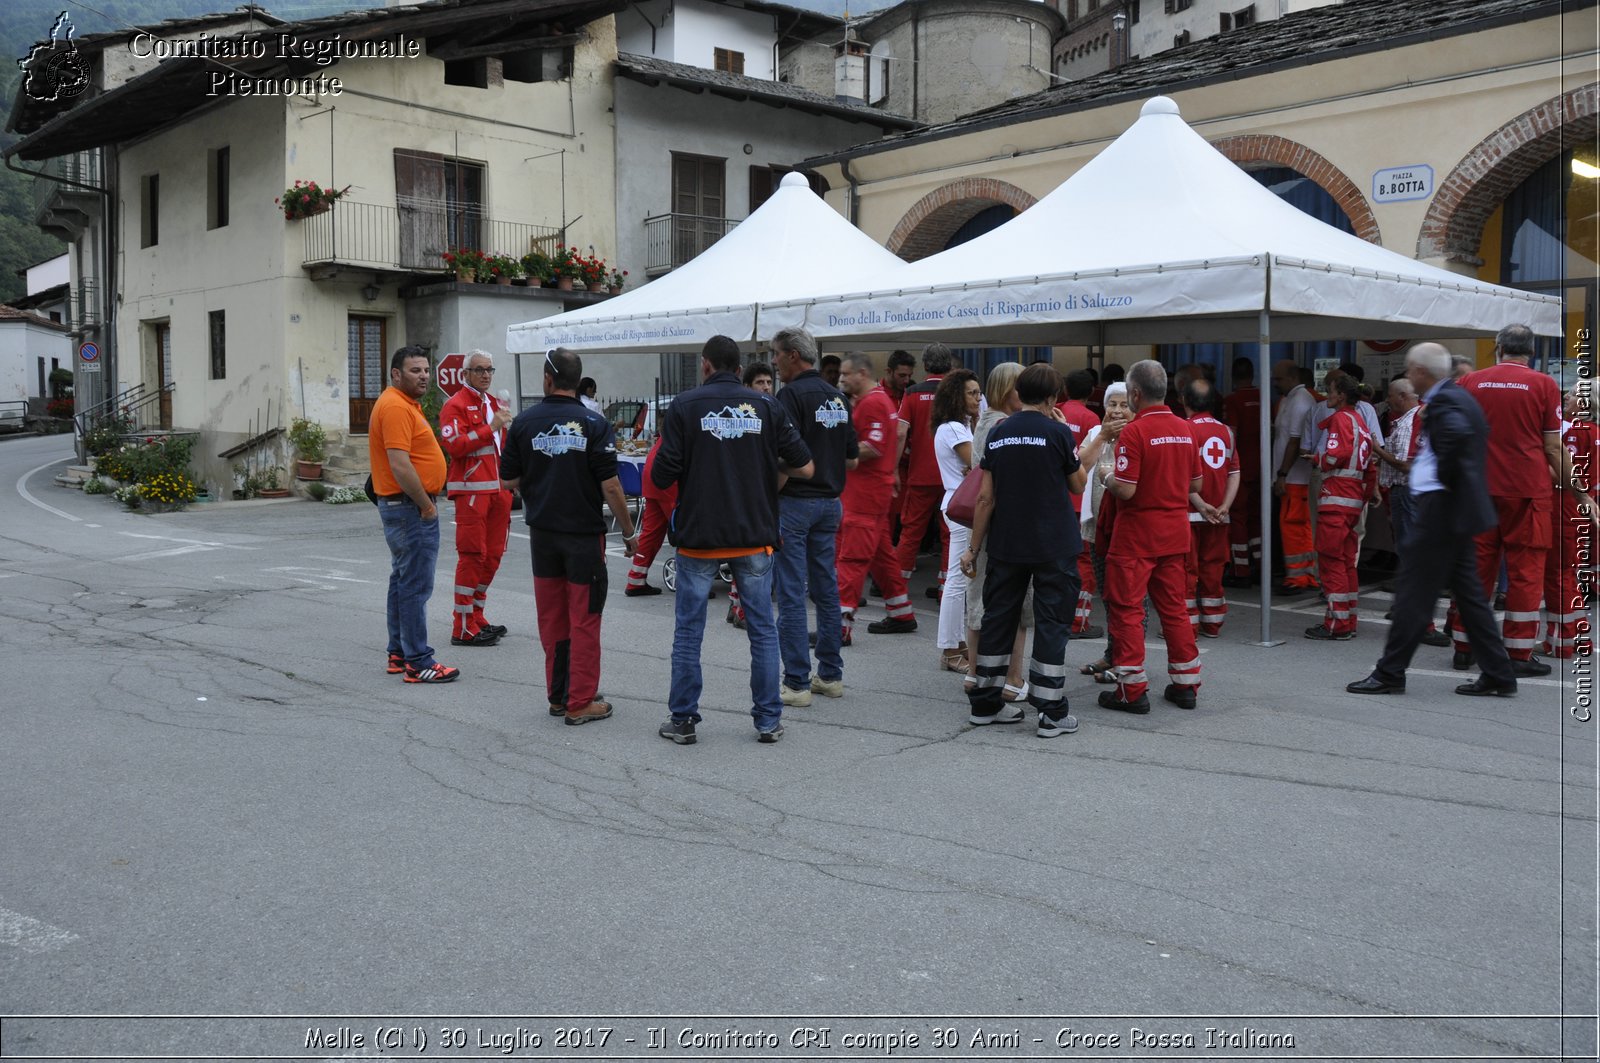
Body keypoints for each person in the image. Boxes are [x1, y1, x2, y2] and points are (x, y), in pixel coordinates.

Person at [652, 335, 813, 745]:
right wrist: (761, 467)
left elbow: (660, 476)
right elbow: (805, 466)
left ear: (705, 365)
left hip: (699, 537)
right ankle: (767, 721)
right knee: (762, 630)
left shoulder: (684, 407)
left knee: (689, 632)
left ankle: (684, 720)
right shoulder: (766, 406)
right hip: (754, 533)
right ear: (740, 369)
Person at [1347, 344, 1519, 697]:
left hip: (1442, 511)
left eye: (1411, 371)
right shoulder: (1457, 398)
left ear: (1422, 373)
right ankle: (1498, 673)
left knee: (1414, 595)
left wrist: (1441, 481)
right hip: (1455, 512)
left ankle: (1390, 672)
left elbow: (1456, 440)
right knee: (1470, 598)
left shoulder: (1446, 403)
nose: (1408, 377)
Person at [501, 347, 638, 725]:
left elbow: (507, 479)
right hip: (582, 537)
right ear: (577, 383)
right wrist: (629, 532)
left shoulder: (524, 423)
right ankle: (580, 701)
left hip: (543, 536)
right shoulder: (594, 423)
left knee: (553, 618)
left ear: (547, 380)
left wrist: (543, 471)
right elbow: (610, 486)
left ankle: (560, 696)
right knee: (585, 617)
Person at [1450, 324, 1591, 677]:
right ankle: (1517, 653)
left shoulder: (1470, 383)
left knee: (1476, 570)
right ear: (1530, 350)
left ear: (1498, 348)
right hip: (1527, 492)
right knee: (1525, 573)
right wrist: (1580, 492)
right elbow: (1553, 446)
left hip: (1478, 490)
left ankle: (1464, 646)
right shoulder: (1544, 385)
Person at [959, 363, 1089, 736]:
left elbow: (985, 498)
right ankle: (1050, 712)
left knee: (998, 620)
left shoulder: (1000, 433)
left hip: (1006, 544)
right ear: (1051, 397)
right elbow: (1077, 485)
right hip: (1053, 545)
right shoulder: (1058, 432)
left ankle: (985, 704)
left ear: (1019, 393)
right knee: (1051, 623)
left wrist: (973, 548)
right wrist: (1067, 436)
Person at [1099, 359, 1203, 713]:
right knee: (1174, 609)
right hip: (1174, 533)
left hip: (1137, 535)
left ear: (1135, 394)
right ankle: (1186, 684)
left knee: (1127, 609)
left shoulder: (1135, 432)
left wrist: (1105, 476)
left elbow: (1125, 490)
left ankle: (1130, 689)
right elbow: (1196, 484)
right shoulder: (1186, 428)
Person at [771, 327, 857, 707]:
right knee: (826, 589)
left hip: (796, 501)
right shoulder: (838, 398)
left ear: (793, 355)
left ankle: (796, 682)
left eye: (776, 354)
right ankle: (830, 675)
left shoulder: (790, 396)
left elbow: (784, 454)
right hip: (831, 502)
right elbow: (852, 458)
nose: (773, 362)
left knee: (791, 591)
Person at [369, 345, 458, 684]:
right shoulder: (394, 406)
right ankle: (419, 661)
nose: (424, 376)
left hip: (404, 506)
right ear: (396, 374)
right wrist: (426, 505)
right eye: (415, 370)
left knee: (403, 580)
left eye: (425, 370)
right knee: (415, 585)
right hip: (409, 508)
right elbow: (399, 463)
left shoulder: (404, 404)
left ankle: (399, 652)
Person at [835, 352, 917, 643]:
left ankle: (840, 626)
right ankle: (901, 612)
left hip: (865, 494)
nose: (841, 378)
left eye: (846, 374)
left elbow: (873, 445)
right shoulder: (875, 400)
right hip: (871, 492)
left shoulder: (872, 402)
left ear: (862, 374)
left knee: (852, 557)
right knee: (881, 555)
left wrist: (836, 454)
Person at [438, 349, 514, 648]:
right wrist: (491, 427)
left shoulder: (495, 404)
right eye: (479, 369)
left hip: (498, 490)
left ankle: (477, 616)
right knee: (472, 555)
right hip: (472, 492)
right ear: (465, 374)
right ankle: (462, 626)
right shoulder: (455, 405)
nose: (485, 374)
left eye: (489, 370)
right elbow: (455, 446)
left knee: (493, 556)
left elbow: (504, 447)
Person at [964, 362, 1031, 697]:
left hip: (980, 521)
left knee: (977, 597)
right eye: (1021, 387)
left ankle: (974, 673)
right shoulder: (1006, 425)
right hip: (1001, 521)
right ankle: (1013, 678)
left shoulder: (985, 421)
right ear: (1007, 389)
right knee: (1014, 601)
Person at [1375, 377, 1452, 648]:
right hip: (1407, 493)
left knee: (1414, 557)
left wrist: (1378, 451)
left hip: (1408, 492)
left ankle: (1423, 623)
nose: (1387, 400)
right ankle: (1410, 612)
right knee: (1409, 554)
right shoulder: (1412, 418)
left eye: (1390, 396)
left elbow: (1408, 466)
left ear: (1402, 396)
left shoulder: (1413, 419)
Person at [1305, 374, 1376, 640]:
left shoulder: (1340, 420)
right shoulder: (1361, 421)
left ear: (1342, 395)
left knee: (1331, 561)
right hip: (1353, 501)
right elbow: (1370, 467)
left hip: (1335, 498)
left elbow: (1336, 454)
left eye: (1330, 391)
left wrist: (1318, 458)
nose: (1327, 396)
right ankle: (1349, 617)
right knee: (1347, 562)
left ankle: (1336, 624)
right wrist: (1366, 495)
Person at [1077, 382, 1131, 682]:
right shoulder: (1095, 434)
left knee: (1129, 599)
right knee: (1108, 595)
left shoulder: (1138, 436)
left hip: (1128, 532)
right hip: (1097, 528)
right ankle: (1113, 654)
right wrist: (1102, 436)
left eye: (1124, 405)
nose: (1118, 411)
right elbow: (1079, 465)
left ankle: (1127, 660)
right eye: (1112, 404)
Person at [931, 368, 980, 672]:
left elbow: (976, 464)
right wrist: (976, 467)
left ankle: (956, 643)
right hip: (960, 505)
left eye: (978, 392)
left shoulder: (958, 427)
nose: (978, 397)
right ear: (956, 397)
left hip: (960, 502)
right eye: (972, 393)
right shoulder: (952, 428)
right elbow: (980, 461)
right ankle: (950, 648)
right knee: (958, 579)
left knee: (961, 578)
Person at [895, 343, 953, 598]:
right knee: (949, 534)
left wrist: (892, 470)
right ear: (949, 365)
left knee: (910, 533)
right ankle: (946, 589)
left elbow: (899, 433)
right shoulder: (958, 392)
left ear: (925, 365)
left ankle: (896, 590)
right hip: (951, 475)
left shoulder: (912, 392)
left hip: (920, 475)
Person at [1545, 381, 1598, 657]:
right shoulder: (1593, 431)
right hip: (1576, 506)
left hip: (1564, 505)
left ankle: (1562, 642)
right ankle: (1578, 636)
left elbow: (1564, 475)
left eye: (1576, 394)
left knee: (1557, 574)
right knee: (1567, 573)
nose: (1568, 396)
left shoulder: (1578, 432)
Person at [1183, 380, 1239, 639]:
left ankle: (1188, 626)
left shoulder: (1184, 430)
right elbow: (1234, 472)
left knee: (1187, 570)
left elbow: (1180, 476)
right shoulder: (1227, 432)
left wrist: (1200, 504)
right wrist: (1224, 507)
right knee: (1213, 568)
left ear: (1185, 401)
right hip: (1219, 515)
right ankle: (1213, 623)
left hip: (1190, 514)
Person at [1056, 369, 1104, 640]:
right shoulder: (1091, 418)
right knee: (1084, 560)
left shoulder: (1057, 410)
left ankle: (1054, 613)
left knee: (1058, 559)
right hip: (1081, 497)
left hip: (1058, 496)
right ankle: (1078, 621)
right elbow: (1094, 460)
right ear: (1091, 392)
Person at [1270, 359, 1320, 594]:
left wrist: (1282, 473)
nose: (1274, 383)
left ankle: (1300, 577)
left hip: (1295, 477)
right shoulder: (1289, 399)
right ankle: (1300, 574)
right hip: (1290, 477)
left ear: (1291, 377)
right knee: (1293, 526)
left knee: (1295, 526)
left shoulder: (1300, 401)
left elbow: (1294, 441)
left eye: (1278, 379)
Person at [1222, 356, 1262, 584]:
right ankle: (1260, 563)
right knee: (1256, 518)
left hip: (1241, 467)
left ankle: (1242, 569)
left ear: (1233, 377)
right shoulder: (1264, 399)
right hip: (1261, 466)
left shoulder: (1233, 400)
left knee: (1237, 518)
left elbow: (1231, 435)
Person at [624, 434, 673, 596]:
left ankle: (636, 580)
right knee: (685, 527)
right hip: (669, 474)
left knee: (651, 532)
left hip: (653, 470)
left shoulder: (681, 415)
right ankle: (695, 581)